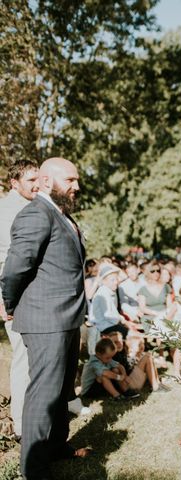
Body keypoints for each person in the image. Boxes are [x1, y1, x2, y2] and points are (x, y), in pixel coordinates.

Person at [1, 157, 93, 478]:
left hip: (67, 319)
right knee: (43, 395)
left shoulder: (61, 215)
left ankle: (56, 447)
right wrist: (10, 305)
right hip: (44, 322)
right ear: (45, 181)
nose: (76, 186)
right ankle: (34, 468)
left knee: (63, 390)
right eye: (70, 180)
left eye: (77, 179)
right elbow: (15, 268)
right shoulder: (35, 214)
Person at [0, 159, 39, 439]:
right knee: (23, 359)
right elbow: (5, 260)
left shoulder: (28, 205)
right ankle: (22, 426)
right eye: (30, 181)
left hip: (30, 295)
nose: (36, 185)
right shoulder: (7, 211)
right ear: (14, 183)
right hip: (14, 297)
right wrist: (4, 300)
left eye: (38, 179)